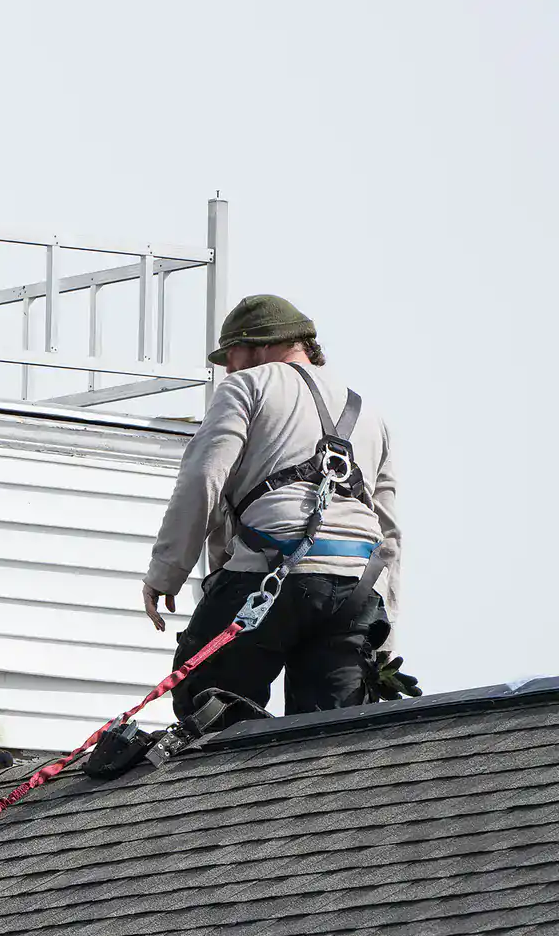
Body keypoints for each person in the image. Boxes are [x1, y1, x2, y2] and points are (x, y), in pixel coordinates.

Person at [141, 294, 402, 717]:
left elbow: (202, 479)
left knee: (209, 707)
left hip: (271, 575)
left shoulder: (246, 386)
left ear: (260, 344)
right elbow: (389, 535)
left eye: (231, 354)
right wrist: (386, 636)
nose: (227, 367)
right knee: (327, 736)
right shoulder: (370, 413)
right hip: (356, 592)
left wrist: (166, 573)